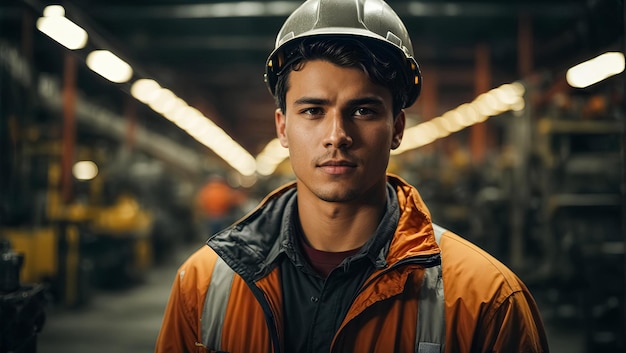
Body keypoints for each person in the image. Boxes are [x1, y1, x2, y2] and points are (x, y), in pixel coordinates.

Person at [155, 0, 550, 352]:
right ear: (282, 128)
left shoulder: (487, 301)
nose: (337, 136)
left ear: (397, 128)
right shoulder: (204, 285)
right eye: (313, 111)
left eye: (363, 110)